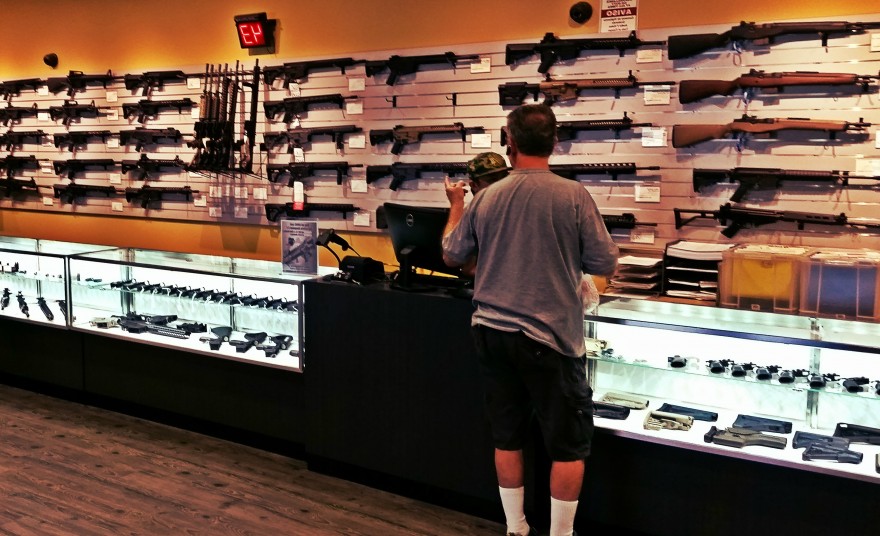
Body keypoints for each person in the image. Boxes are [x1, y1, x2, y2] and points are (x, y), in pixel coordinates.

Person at [442, 104, 618, 536]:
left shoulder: (487, 197)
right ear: (555, 141)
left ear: (510, 141)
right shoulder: (573, 195)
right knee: (569, 446)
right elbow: (604, 261)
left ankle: (516, 527)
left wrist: (456, 207)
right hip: (550, 338)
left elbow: (452, 253)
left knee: (507, 437)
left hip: (491, 332)